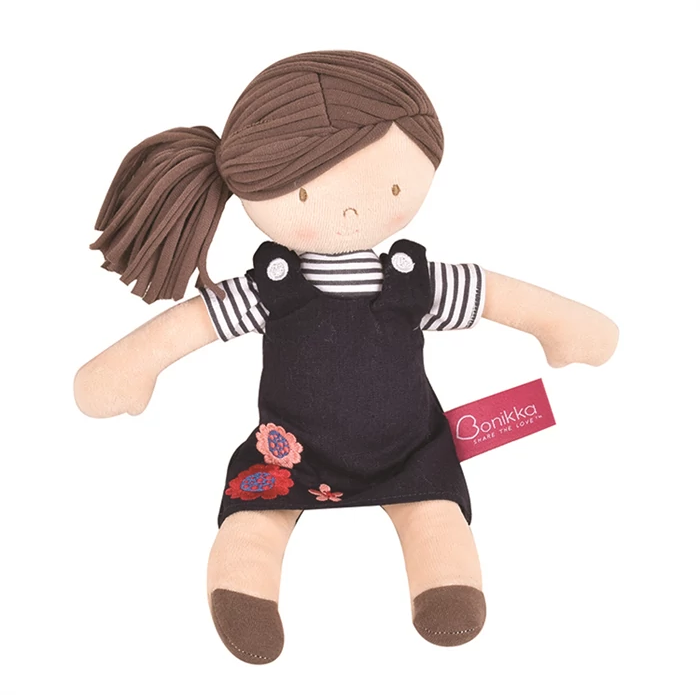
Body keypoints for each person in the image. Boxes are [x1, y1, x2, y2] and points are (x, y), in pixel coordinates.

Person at [74, 50, 618, 664]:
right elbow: (195, 324)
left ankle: (445, 589)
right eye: (308, 190)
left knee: (435, 514)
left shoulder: (412, 281)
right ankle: (246, 592)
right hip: (288, 455)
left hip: (411, 451)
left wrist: (562, 328)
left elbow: (495, 295)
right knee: (253, 519)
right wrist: (135, 368)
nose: (354, 209)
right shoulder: (273, 288)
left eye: (391, 187)